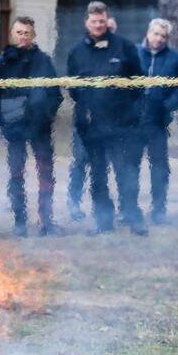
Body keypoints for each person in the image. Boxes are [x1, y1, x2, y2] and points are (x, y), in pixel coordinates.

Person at [67, 1, 146, 235]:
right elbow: (73, 90)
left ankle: (134, 218)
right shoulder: (76, 52)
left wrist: (125, 102)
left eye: (102, 21)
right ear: (86, 22)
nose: (98, 25)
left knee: (126, 174)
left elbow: (140, 82)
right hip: (91, 126)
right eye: (94, 21)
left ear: (107, 20)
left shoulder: (125, 47)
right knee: (98, 177)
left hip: (122, 125)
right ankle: (104, 222)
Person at [0, 16, 63, 237]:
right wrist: (4, 118)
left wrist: (45, 115)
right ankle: (20, 220)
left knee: (45, 173)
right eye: (19, 32)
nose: (22, 36)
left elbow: (55, 94)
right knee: (16, 175)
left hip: (40, 127)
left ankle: (46, 220)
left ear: (33, 35)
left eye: (26, 32)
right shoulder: (2, 62)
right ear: (12, 34)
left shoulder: (43, 61)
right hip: (14, 127)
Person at [67, 16, 119, 221]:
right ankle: (74, 203)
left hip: (110, 121)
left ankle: (101, 208)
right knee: (80, 161)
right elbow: (72, 86)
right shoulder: (80, 53)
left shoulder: (118, 54)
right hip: (86, 118)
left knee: (103, 164)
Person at [136, 18, 178, 224]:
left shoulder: (175, 59)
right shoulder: (134, 54)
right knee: (129, 166)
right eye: (156, 34)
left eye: (163, 36)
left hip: (157, 121)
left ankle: (158, 209)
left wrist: (167, 105)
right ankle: (129, 209)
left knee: (159, 166)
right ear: (149, 32)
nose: (159, 39)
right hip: (133, 120)